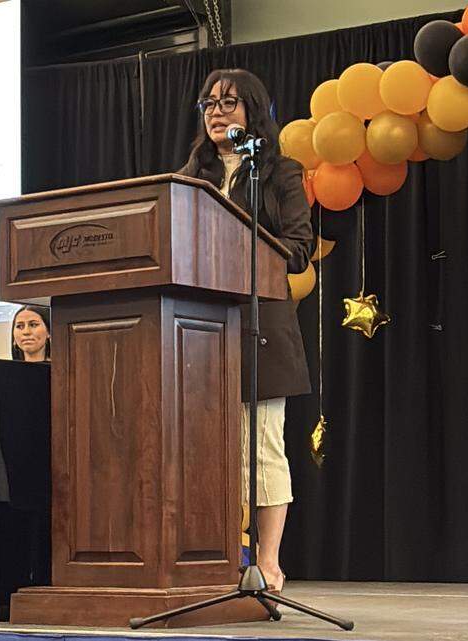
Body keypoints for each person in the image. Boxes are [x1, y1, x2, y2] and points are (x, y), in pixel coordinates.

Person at [178, 69, 314, 593]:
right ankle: (215, 555)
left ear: (253, 111)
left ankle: (269, 561)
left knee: (261, 449)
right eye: (209, 103)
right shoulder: (190, 175)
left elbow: (298, 248)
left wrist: (236, 234)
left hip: (262, 326)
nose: (215, 111)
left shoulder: (281, 172)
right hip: (196, 331)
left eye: (229, 103)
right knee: (204, 452)